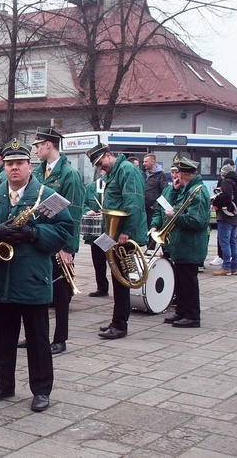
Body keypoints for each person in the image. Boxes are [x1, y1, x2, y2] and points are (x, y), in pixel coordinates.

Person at [0, 139, 73, 412]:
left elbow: (64, 231)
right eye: (10, 163)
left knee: (38, 339)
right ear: (4, 166)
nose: (14, 168)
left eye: (20, 163)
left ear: (30, 166)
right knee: (4, 337)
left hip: (32, 279)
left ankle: (41, 390)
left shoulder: (47, 197)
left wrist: (34, 233)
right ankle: (5, 384)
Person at [30, 128, 83, 355]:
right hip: (39, 239)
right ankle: (35, 335)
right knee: (36, 289)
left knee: (61, 293)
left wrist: (67, 247)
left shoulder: (69, 174)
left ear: (49, 145)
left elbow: (75, 212)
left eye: (38, 145)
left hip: (59, 242)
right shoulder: (38, 173)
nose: (36, 149)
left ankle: (60, 338)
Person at [86, 143, 147, 340]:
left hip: (123, 234)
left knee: (121, 281)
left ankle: (120, 325)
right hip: (114, 233)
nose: (100, 168)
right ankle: (117, 321)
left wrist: (126, 231)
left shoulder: (127, 169)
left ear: (109, 155)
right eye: (97, 165)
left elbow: (134, 201)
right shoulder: (116, 171)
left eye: (101, 163)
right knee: (117, 278)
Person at [158, 158, 210, 327]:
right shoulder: (188, 189)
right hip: (182, 245)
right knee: (180, 281)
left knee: (188, 282)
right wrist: (174, 189)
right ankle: (181, 311)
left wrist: (173, 216)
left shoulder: (198, 191)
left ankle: (193, 316)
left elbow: (197, 221)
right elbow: (173, 203)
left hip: (191, 245)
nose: (176, 176)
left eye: (178, 173)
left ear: (182, 174)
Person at [212, 163, 237, 276]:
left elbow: (225, 196)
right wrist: (236, 210)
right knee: (233, 242)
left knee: (224, 243)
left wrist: (216, 203)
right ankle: (235, 267)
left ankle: (226, 267)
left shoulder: (226, 182)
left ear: (224, 174)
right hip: (235, 216)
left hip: (225, 216)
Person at [83, 176, 110, 296]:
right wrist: (87, 210)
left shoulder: (115, 185)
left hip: (111, 230)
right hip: (97, 230)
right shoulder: (91, 187)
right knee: (98, 261)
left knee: (114, 262)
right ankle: (102, 287)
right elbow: (84, 204)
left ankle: (121, 289)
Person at [143, 153, 169, 228]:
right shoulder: (143, 174)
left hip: (153, 209)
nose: (144, 164)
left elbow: (164, 192)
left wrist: (155, 205)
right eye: (144, 162)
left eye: (146, 162)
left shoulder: (161, 175)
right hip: (144, 208)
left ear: (153, 162)